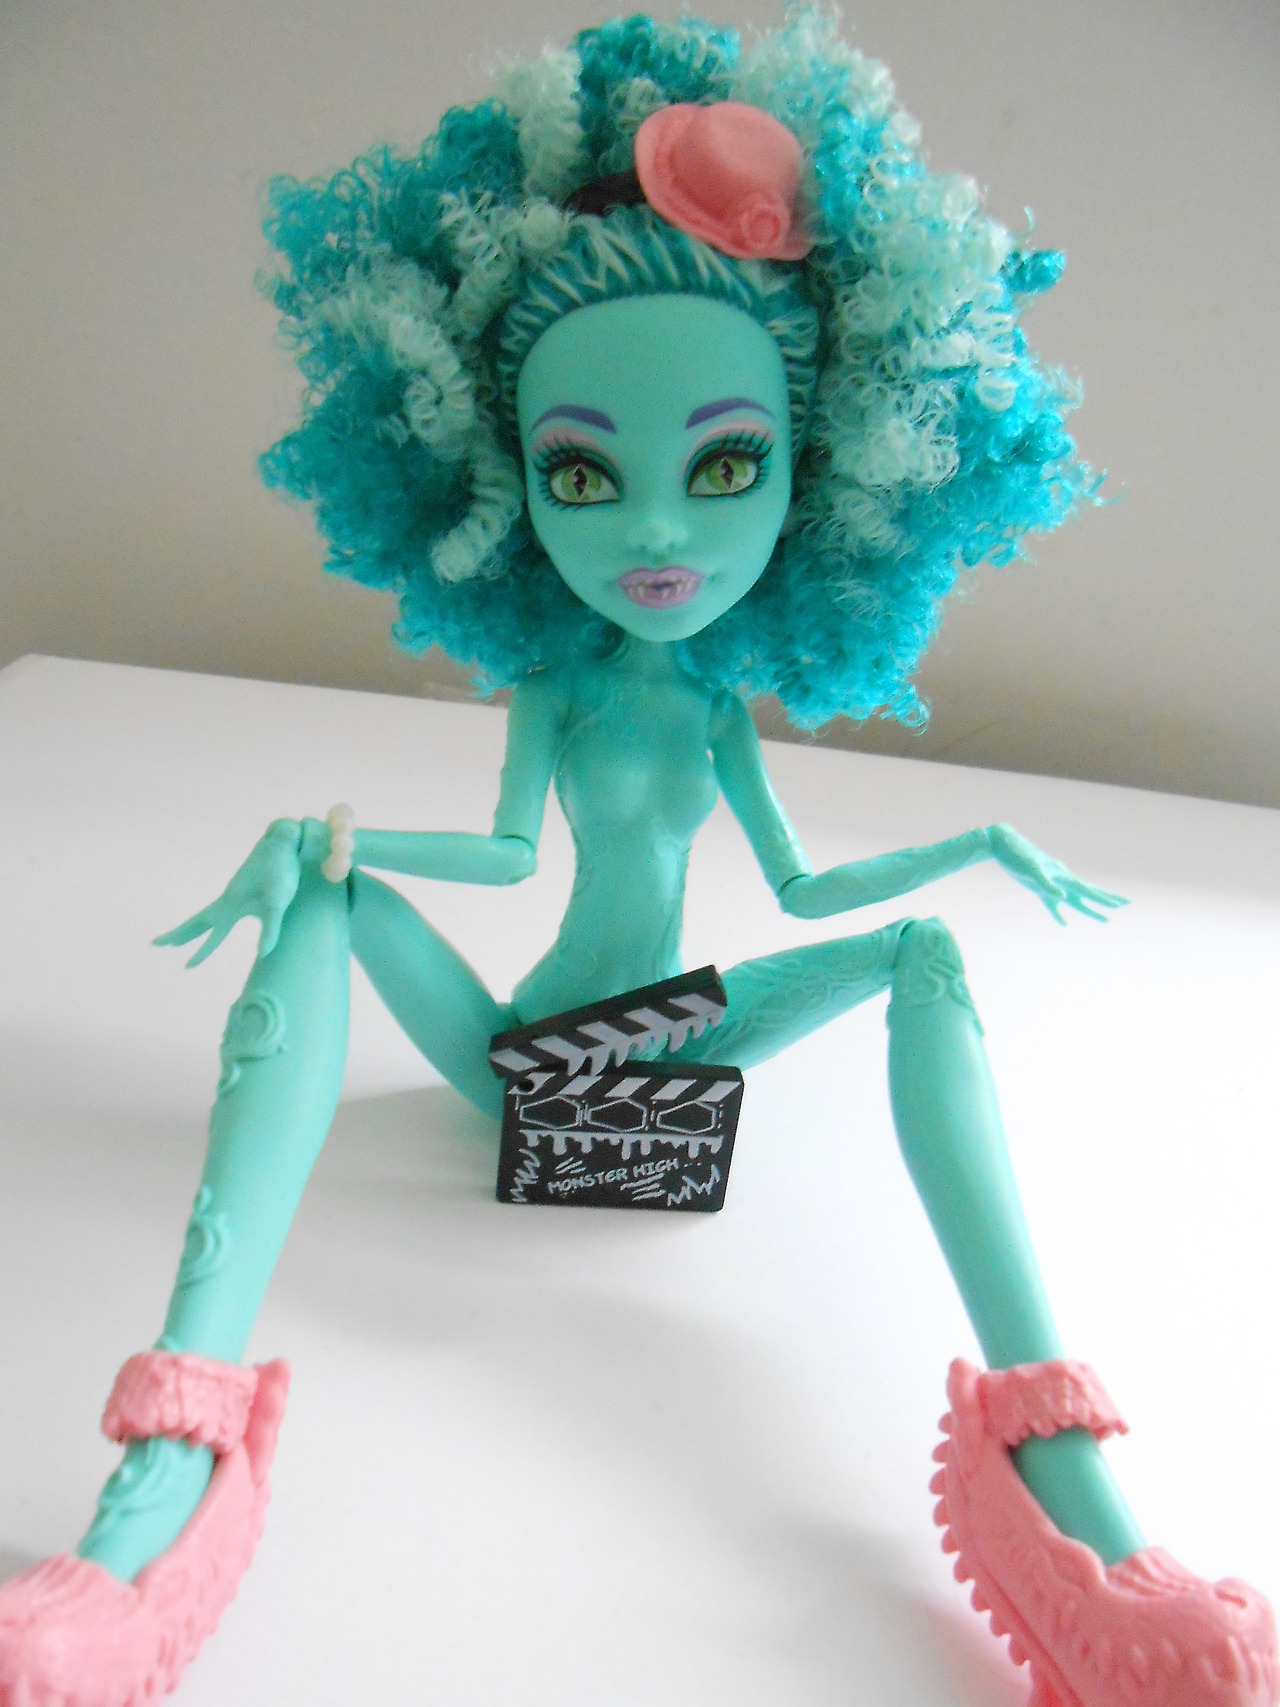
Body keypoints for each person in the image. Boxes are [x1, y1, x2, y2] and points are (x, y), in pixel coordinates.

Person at [1, 13, 1274, 1706]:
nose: (658, 530)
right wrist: (340, 841)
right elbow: (502, 854)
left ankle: (1059, 1468)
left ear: (823, 479)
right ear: (497, 480)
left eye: (726, 465)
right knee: (320, 885)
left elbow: (805, 894)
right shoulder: (554, 691)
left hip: (677, 1037)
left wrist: (970, 838)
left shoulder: (726, 709)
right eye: (583, 473)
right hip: (520, 1058)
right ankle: (178, 1449)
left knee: (925, 957)